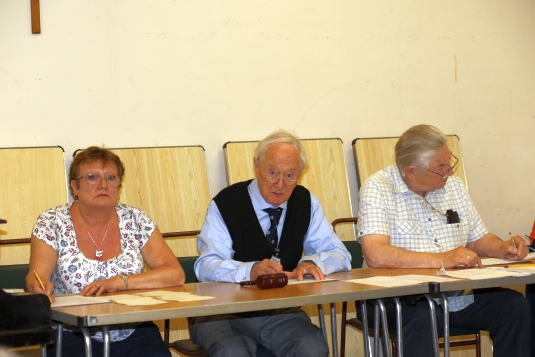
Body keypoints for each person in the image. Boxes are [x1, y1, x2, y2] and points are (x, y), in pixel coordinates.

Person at [357, 124, 531, 357]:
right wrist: (441, 259)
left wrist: (502, 247)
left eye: (449, 162)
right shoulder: (378, 188)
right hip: (395, 299)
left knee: (514, 306)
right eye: (441, 167)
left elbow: (478, 239)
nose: (449, 171)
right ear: (411, 172)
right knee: (424, 314)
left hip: (454, 295)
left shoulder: (454, 187)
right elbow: (376, 254)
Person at [188, 129, 351, 357]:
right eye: (272, 172)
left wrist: (312, 262)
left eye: (290, 175)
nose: (280, 184)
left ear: (300, 174)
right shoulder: (226, 203)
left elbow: (339, 253)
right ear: (257, 165)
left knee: (312, 347)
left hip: (278, 309)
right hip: (221, 311)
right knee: (233, 352)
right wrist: (250, 271)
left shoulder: (306, 202)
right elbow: (206, 265)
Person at [25, 146, 185, 357]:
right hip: (70, 331)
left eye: (111, 177)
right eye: (92, 177)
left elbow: (175, 273)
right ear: (75, 186)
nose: (103, 184)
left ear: (119, 185)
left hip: (133, 329)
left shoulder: (135, 219)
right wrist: (38, 286)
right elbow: (36, 277)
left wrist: (120, 282)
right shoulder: (51, 221)